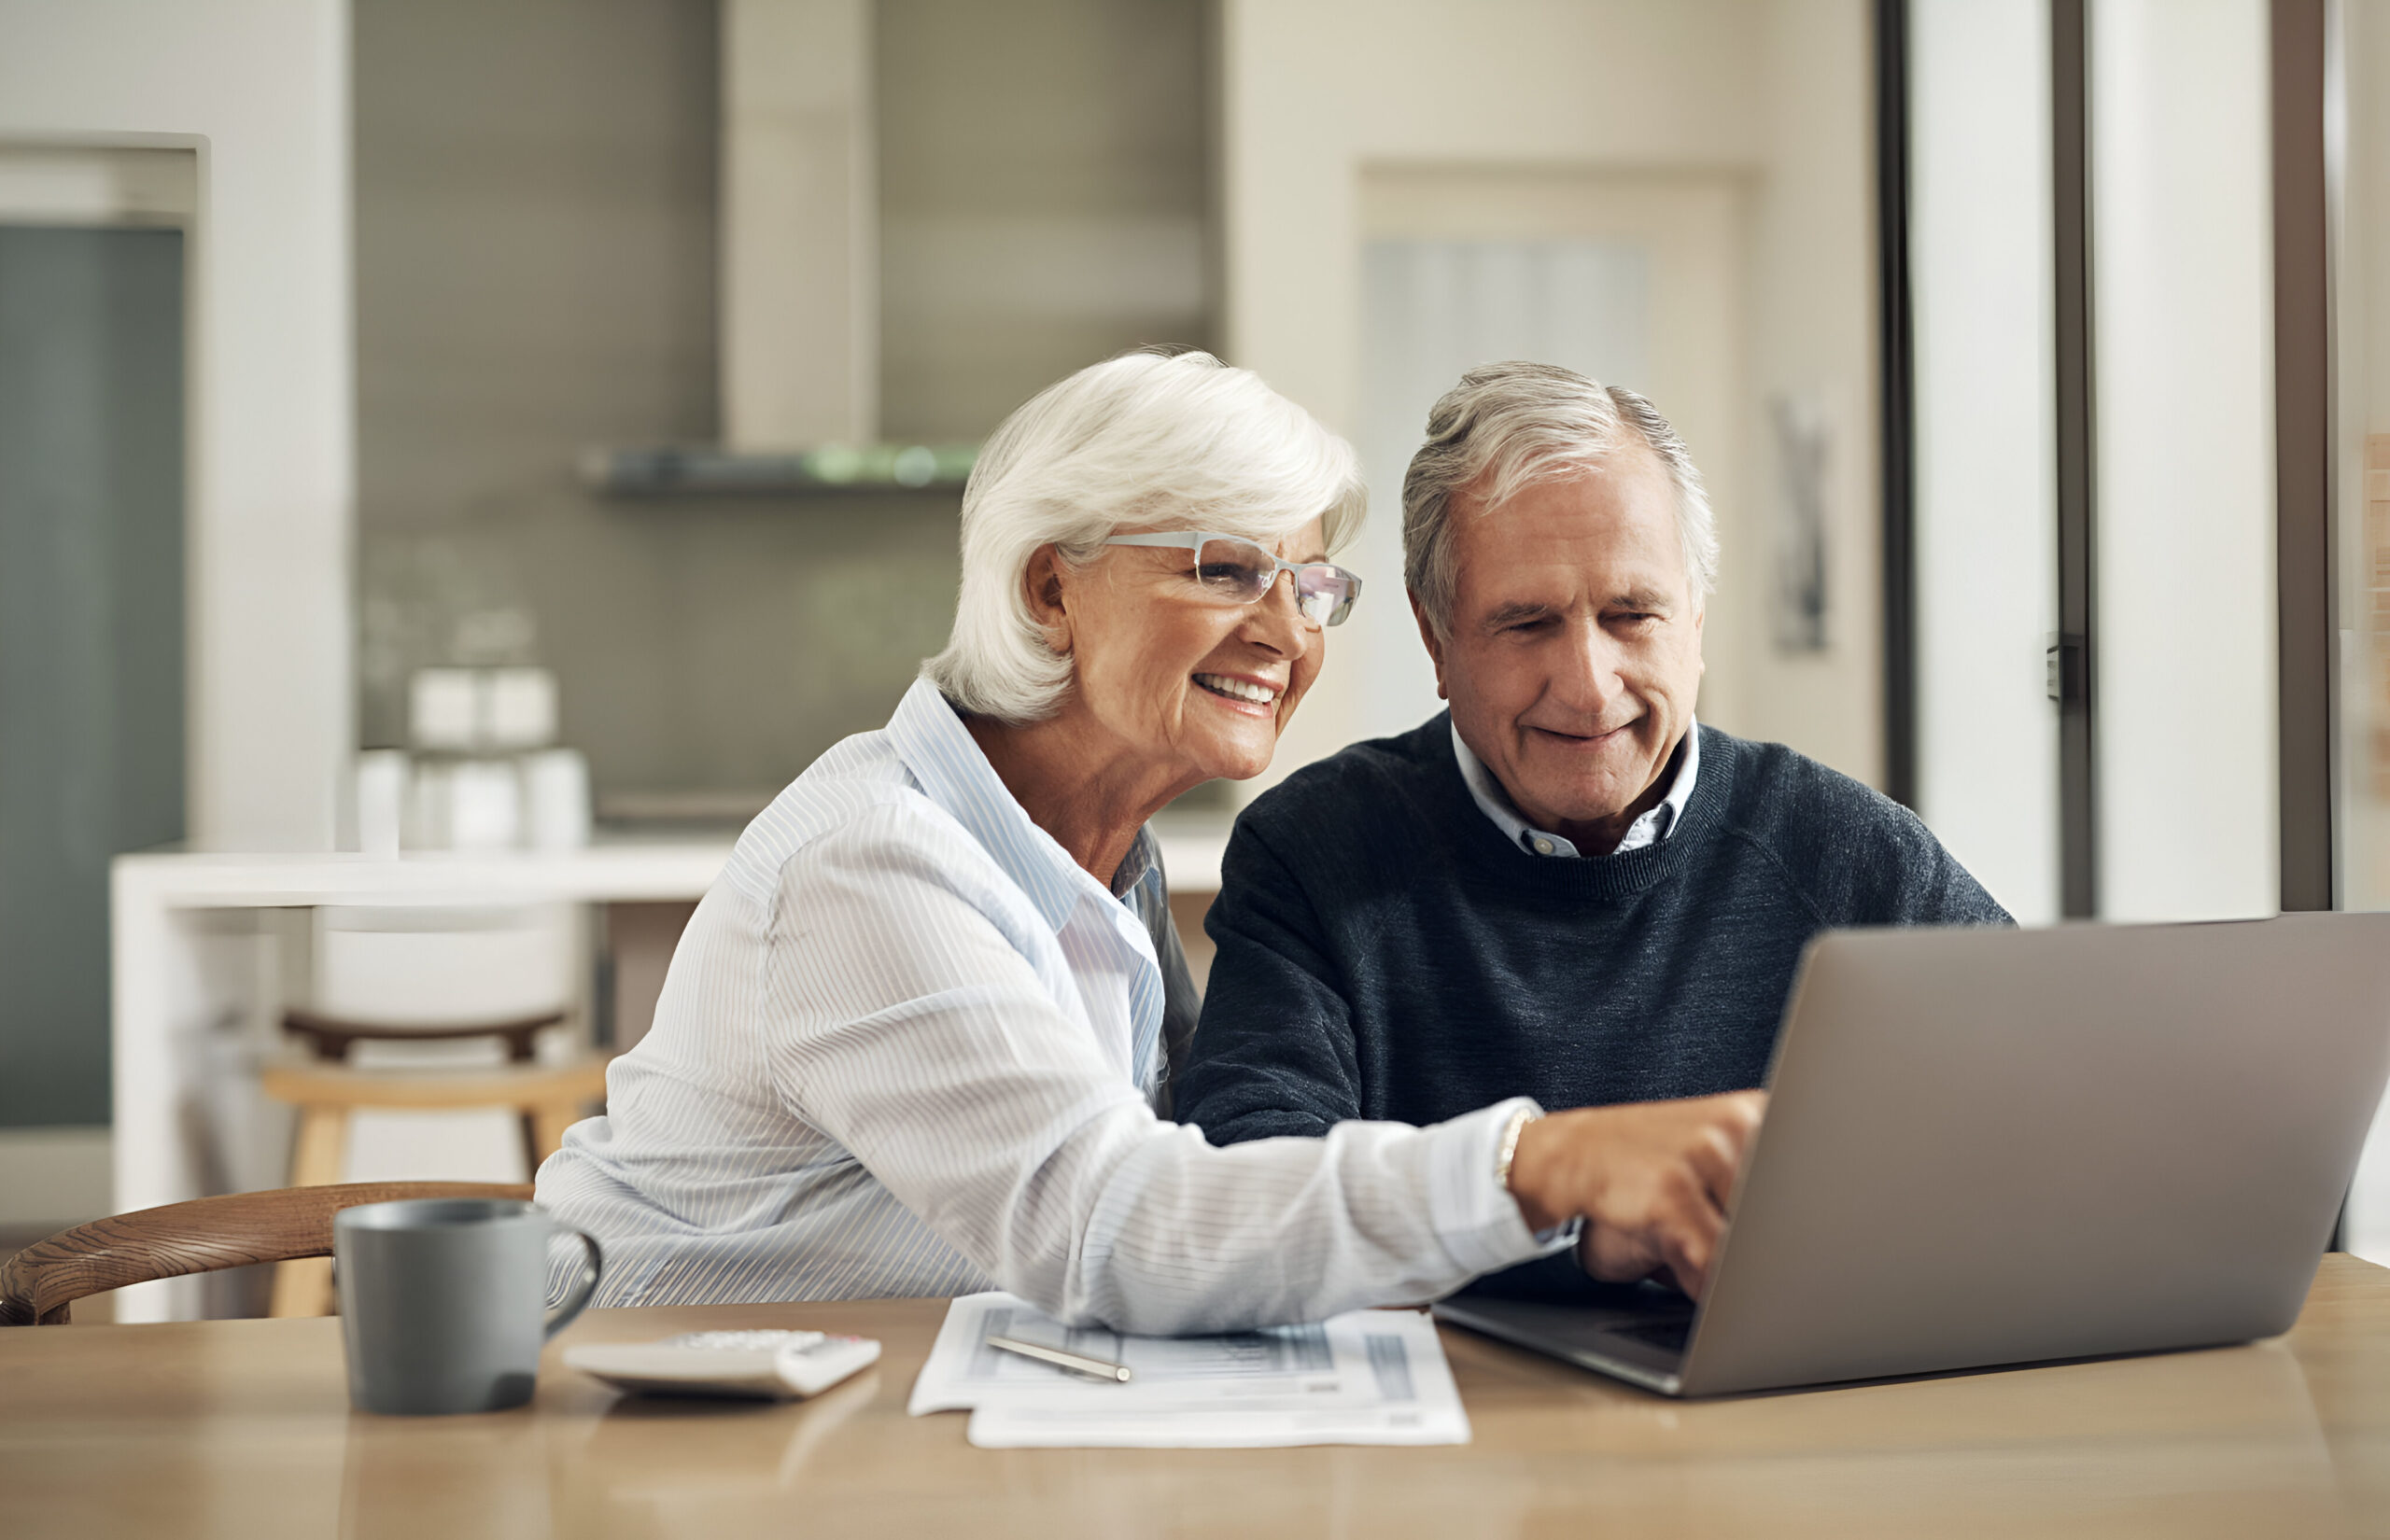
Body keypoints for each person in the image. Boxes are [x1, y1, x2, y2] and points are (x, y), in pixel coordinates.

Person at [537, 350, 1766, 1332]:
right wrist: (1540, 1163)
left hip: (871, 1410)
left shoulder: (1102, 863)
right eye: (1226, 569)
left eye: (1308, 584)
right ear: (1050, 591)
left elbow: (1218, 1191)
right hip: (628, 1428)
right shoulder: (869, 863)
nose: (1285, 631)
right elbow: (1115, 1227)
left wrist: (1580, 1225)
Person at [1174, 361, 2008, 1296]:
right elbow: (1248, 1192)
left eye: (1632, 614)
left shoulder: (1852, 853)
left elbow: (2044, 1109)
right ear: (1435, 638)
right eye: (1527, 623)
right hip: (1458, 1386)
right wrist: (1570, 1230)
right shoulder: (1312, 851)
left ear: (1695, 619)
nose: (1586, 685)